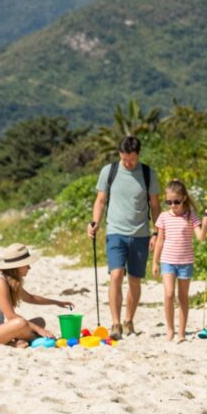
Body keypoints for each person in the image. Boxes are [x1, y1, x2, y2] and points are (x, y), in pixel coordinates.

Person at [88, 135, 161, 340]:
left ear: (138, 155)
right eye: (124, 159)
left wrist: (156, 232)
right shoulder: (108, 171)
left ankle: (129, 320)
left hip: (140, 234)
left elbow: (155, 205)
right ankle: (115, 323)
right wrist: (95, 222)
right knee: (116, 275)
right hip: (115, 232)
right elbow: (100, 200)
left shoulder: (147, 173)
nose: (127, 163)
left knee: (135, 281)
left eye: (131, 159)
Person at [0, 243, 74, 347]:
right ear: (16, 266)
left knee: (39, 321)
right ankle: (34, 340)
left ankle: (14, 343)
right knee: (21, 323)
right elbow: (11, 316)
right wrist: (40, 330)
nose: (29, 267)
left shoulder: (10, 281)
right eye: (26, 264)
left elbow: (30, 298)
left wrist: (57, 303)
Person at [151, 180, 207, 342]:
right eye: (168, 202)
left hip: (186, 262)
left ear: (183, 198)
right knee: (169, 294)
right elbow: (160, 241)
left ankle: (181, 333)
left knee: (183, 297)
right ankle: (170, 330)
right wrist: (155, 262)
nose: (172, 205)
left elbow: (201, 237)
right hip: (167, 261)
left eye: (176, 201)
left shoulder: (191, 215)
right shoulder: (164, 217)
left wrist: (205, 225)